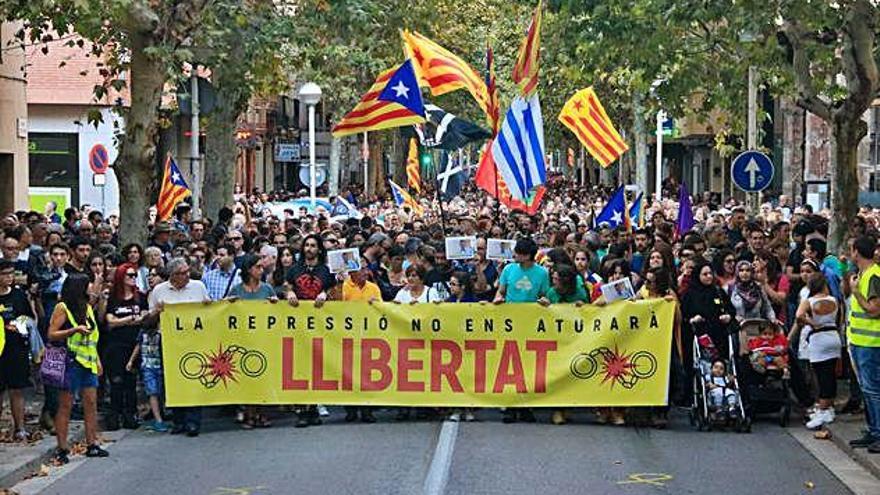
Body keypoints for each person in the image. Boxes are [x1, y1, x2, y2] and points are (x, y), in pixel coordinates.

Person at [47, 273, 109, 463]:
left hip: (88, 362)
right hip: (70, 362)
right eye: (88, 284)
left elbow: (92, 338)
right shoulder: (62, 307)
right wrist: (73, 330)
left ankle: (92, 444)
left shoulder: (88, 308)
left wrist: (97, 360)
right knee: (65, 405)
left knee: (90, 403)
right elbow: (51, 334)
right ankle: (62, 447)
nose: (91, 287)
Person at [147, 258, 210, 437]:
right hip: (169, 341)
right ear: (173, 276)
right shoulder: (159, 291)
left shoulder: (198, 287)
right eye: (182, 273)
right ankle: (178, 420)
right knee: (173, 380)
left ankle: (193, 421)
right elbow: (149, 321)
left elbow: (210, 310)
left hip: (194, 340)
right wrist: (157, 312)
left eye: (188, 271)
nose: (187, 276)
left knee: (194, 377)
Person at [494, 238, 548, 424]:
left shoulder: (542, 273)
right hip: (509, 325)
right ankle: (510, 405)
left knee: (528, 367)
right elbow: (500, 291)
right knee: (510, 366)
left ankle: (526, 406)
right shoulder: (509, 270)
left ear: (526, 255)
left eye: (517, 252)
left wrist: (544, 301)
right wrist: (498, 298)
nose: (514, 255)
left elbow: (545, 295)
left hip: (531, 326)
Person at [228, 255, 278, 429]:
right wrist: (229, 303)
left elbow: (277, 312)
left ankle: (262, 413)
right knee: (247, 378)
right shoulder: (237, 290)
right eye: (258, 267)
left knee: (263, 376)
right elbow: (225, 311)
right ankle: (249, 414)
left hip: (263, 340)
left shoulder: (267, 289)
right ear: (249, 269)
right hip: (244, 340)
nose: (261, 270)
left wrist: (275, 304)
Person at [103, 262, 148, 430]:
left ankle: (130, 415)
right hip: (116, 345)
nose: (133, 278)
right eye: (129, 275)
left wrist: (123, 321)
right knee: (116, 381)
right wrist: (128, 320)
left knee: (130, 382)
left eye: (135, 275)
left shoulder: (140, 297)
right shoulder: (114, 298)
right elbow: (109, 321)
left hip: (133, 345)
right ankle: (114, 415)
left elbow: (143, 317)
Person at [846, 236, 880, 453]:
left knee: (873, 389)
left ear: (857, 252)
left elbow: (875, 309)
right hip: (859, 342)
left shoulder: (874, 276)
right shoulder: (863, 275)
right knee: (867, 389)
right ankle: (872, 430)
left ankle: (878, 432)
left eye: (851, 249)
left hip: (871, 343)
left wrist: (856, 292)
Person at [796, 274, 842, 429]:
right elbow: (839, 320)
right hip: (834, 336)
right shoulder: (834, 301)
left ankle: (822, 409)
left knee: (821, 375)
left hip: (819, 339)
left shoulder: (809, 301)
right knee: (831, 374)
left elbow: (799, 315)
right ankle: (829, 408)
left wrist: (812, 323)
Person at [0, 260, 35, 442]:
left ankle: (20, 427)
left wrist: (18, 325)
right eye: (4, 274)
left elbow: (29, 319)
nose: (9, 277)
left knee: (17, 389)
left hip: (16, 348)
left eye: (11, 274)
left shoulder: (19, 295)